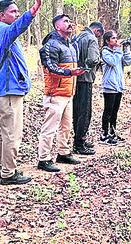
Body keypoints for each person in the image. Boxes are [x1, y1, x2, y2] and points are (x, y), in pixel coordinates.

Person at [0, 0, 46, 185]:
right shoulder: (4, 31)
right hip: (9, 91)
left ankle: (1, 168)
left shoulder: (0, 33)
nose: (16, 14)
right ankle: (9, 173)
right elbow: (19, 27)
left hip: (11, 89)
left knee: (6, 132)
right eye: (13, 11)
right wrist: (35, 7)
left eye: (17, 11)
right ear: (2, 15)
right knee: (13, 133)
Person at [37, 14, 87, 172]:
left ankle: (63, 152)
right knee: (50, 127)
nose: (70, 24)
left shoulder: (71, 46)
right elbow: (50, 67)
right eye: (65, 21)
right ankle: (44, 158)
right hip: (55, 93)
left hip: (68, 93)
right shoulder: (51, 45)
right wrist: (69, 72)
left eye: (70, 21)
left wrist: (74, 72)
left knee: (66, 126)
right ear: (57, 26)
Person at [71, 21, 104, 155]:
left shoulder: (76, 37)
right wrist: (98, 63)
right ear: (97, 31)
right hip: (85, 78)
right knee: (85, 111)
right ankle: (80, 143)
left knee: (76, 110)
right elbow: (92, 59)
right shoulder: (92, 39)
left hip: (74, 77)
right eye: (100, 35)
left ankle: (78, 140)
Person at [99, 30, 131, 145]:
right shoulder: (105, 52)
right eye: (113, 38)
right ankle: (104, 135)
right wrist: (118, 50)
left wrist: (126, 49)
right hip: (109, 86)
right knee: (108, 111)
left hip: (118, 86)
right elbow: (112, 62)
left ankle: (112, 133)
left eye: (116, 38)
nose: (116, 40)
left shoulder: (117, 52)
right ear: (107, 41)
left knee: (115, 112)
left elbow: (127, 62)